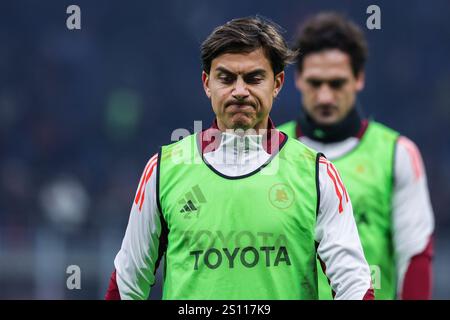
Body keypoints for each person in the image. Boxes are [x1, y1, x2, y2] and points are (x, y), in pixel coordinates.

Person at [105, 16, 374, 300]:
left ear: (277, 84)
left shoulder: (316, 174)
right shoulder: (163, 171)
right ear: (207, 84)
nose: (240, 91)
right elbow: (127, 285)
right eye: (226, 78)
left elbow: (354, 286)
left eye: (254, 78)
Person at [278, 12, 434, 300]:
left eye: (336, 83)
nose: (325, 96)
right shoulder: (272, 153)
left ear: (359, 79)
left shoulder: (396, 153)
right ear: (297, 79)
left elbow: (415, 254)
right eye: (315, 83)